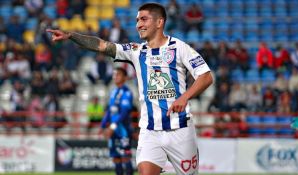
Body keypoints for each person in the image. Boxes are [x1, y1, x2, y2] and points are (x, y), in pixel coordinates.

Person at [46, 3, 213, 175]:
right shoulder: (136, 50)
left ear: (159, 22)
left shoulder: (179, 47)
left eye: (144, 19)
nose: (138, 24)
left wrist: (184, 97)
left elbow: (206, 76)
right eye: (137, 20)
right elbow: (102, 45)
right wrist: (71, 35)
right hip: (150, 131)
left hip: (180, 130)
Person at [101, 67, 134, 175]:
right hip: (113, 130)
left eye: (118, 74)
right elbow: (110, 111)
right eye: (114, 74)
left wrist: (112, 126)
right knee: (116, 158)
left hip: (123, 130)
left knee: (125, 157)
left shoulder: (127, 92)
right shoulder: (113, 92)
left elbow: (124, 113)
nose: (115, 76)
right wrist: (102, 126)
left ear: (125, 77)